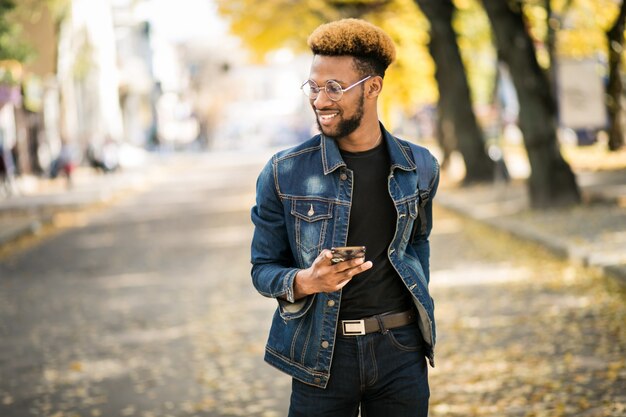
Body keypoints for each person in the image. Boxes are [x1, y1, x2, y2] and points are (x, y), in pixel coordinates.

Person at [250, 18, 440, 417]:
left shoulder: (419, 166)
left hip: (400, 352)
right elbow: (263, 269)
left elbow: (416, 243)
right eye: (314, 87)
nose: (320, 100)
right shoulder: (284, 172)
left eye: (335, 88)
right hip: (322, 355)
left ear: (373, 87)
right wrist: (306, 280)